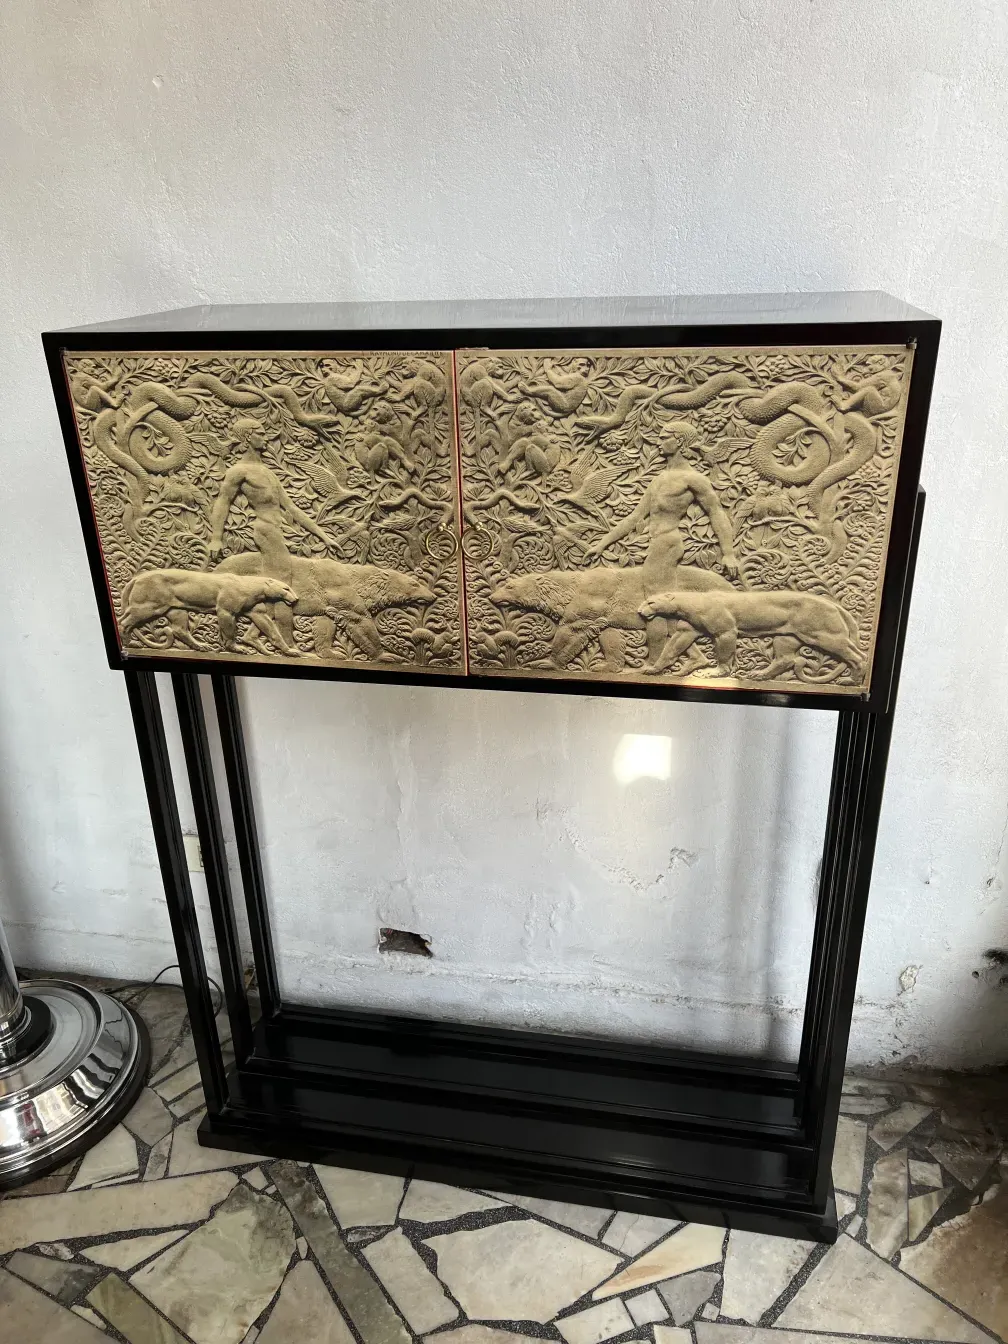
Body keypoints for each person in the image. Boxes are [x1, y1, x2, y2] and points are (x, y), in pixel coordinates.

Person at [585, 420, 738, 593]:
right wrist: (601, 545)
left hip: (668, 544)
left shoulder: (693, 479)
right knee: (654, 597)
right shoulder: (659, 479)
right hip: (655, 543)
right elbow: (634, 518)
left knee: (656, 598)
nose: (658, 442)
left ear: (679, 441)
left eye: (664, 438)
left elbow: (716, 513)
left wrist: (728, 553)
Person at [209, 417, 338, 583]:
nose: (267, 438)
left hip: (278, 531)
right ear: (248, 437)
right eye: (261, 434)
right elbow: (223, 502)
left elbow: (292, 509)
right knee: (281, 581)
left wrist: (324, 537)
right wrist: (216, 539)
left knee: (283, 581)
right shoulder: (239, 471)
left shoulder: (268, 472)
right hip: (266, 531)